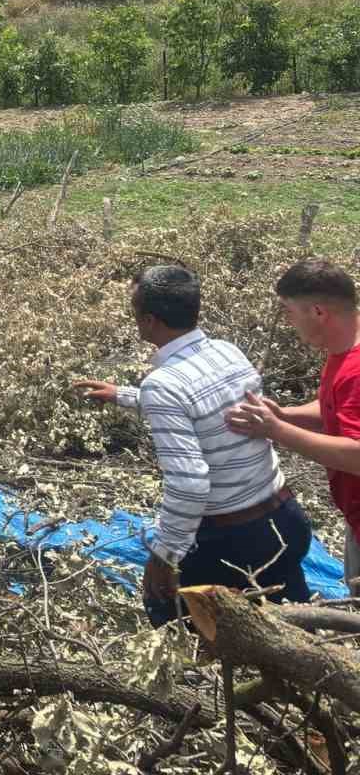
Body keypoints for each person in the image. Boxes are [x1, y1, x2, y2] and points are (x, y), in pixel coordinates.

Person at [76, 264, 311, 626]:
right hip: (285, 521)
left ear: (150, 321)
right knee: (298, 632)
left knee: (169, 616)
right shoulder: (226, 352)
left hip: (234, 541)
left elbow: (189, 484)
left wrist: (164, 556)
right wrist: (122, 395)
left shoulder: (165, 384)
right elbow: (203, 406)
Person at [226, 259, 360, 593]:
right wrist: (286, 415)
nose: (287, 321)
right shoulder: (343, 350)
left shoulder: (356, 370)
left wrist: (276, 430)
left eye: (288, 311)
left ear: (317, 312)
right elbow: (337, 410)